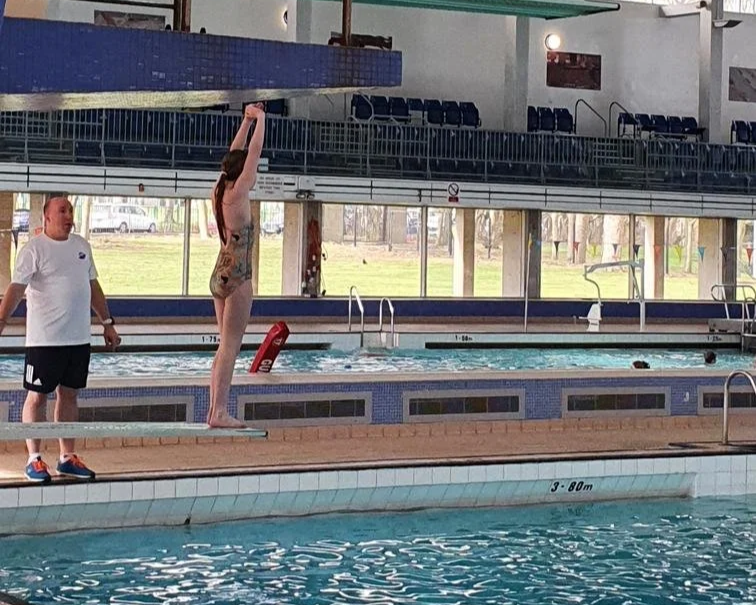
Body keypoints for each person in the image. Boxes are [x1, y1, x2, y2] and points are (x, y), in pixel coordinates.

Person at [0, 195, 121, 483]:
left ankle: (66, 457)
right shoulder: (34, 250)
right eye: (62, 210)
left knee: (69, 395)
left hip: (77, 339)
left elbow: (93, 288)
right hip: (44, 341)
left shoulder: (81, 246)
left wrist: (107, 323)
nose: (69, 215)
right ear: (47, 217)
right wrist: (1, 320)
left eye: (71, 210)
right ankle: (34, 458)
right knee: (37, 396)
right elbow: (16, 289)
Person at [207, 103, 266, 428]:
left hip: (219, 273)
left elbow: (236, 153)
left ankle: (214, 409)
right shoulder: (239, 192)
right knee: (231, 346)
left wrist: (245, 120)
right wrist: (261, 120)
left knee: (223, 346)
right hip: (238, 276)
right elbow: (252, 152)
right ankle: (218, 412)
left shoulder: (220, 189)